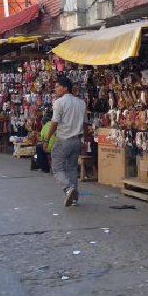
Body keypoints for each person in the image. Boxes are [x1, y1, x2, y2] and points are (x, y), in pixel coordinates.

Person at [43, 76, 86, 207]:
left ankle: (68, 189)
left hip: (63, 140)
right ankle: (74, 199)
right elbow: (85, 124)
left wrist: (46, 139)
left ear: (65, 88)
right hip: (76, 140)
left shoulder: (59, 102)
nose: (55, 89)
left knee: (56, 168)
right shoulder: (81, 103)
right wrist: (84, 141)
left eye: (57, 86)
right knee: (72, 169)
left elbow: (54, 123)